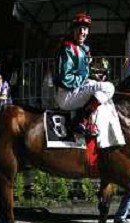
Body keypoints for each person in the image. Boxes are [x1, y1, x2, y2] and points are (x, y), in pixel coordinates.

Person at [53, 11, 124, 147]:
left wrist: (93, 77)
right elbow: (65, 78)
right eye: (79, 28)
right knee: (109, 88)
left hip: (75, 90)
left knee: (101, 87)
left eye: (85, 29)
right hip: (67, 95)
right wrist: (86, 78)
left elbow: (82, 73)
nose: (82, 32)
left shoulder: (83, 49)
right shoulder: (68, 48)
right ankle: (82, 119)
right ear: (73, 31)